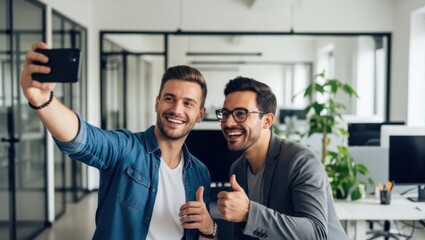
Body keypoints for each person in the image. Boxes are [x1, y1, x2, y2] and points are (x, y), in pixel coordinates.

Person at [20, 42, 217, 240]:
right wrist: (43, 101)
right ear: (157, 103)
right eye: (169, 98)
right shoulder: (125, 148)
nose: (176, 110)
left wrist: (209, 229)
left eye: (188, 103)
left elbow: (203, 236)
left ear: (200, 115)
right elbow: (83, 139)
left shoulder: (200, 173)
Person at [216, 76, 349, 240]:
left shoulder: (300, 161)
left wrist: (250, 213)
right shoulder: (238, 169)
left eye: (241, 113)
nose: (228, 122)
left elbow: (316, 233)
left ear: (267, 121)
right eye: (225, 113)